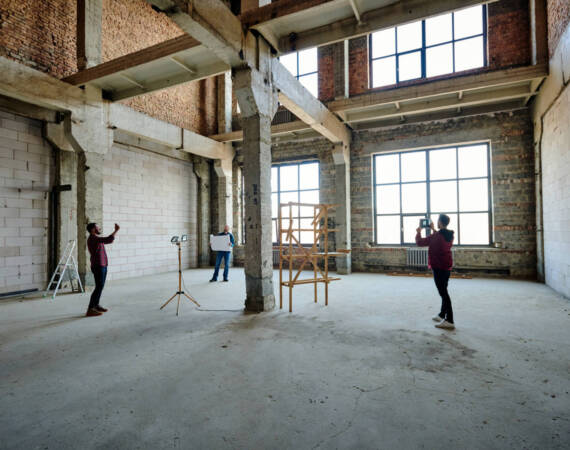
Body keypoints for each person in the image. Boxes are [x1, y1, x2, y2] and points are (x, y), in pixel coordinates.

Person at [415, 214, 455, 330]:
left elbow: (420, 242)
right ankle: (442, 314)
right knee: (444, 290)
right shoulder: (450, 235)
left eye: (437, 221)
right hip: (447, 266)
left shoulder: (436, 236)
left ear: (440, 222)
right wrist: (433, 229)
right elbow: (440, 235)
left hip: (438, 267)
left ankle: (450, 320)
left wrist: (418, 231)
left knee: (443, 293)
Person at [85, 222, 120, 317]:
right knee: (98, 287)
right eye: (97, 227)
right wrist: (116, 230)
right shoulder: (93, 238)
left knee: (100, 286)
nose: (99, 228)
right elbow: (108, 239)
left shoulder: (95, 238)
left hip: (102, 265)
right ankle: (90, 309)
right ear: (93, 229)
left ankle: (96, 305)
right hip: (98, 266)